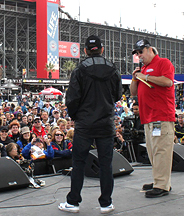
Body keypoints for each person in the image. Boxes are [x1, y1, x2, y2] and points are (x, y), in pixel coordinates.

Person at [59, 35, 121, 214]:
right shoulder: (113, 69)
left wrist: (76, 116)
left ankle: (73, 203)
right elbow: (117, 95)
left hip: (85, 124)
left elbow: (72, 99)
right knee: (106, 164)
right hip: (106, 124)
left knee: (78, 163)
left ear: (85, 51)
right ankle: (106, 203)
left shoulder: (79, 70)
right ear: (102, 50)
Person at [130, 39, 175, 198]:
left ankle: (162, 185)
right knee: (152, 150)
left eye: (140, 52)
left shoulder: (163, 63)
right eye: (137, 53)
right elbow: (133, 92)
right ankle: (159, 181)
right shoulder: (144, 68)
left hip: (161, 116)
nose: (139, 56)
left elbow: (168, 81)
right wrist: (136, 77)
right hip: (148, 118)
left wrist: (146, 77)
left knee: (161, 150)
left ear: (150, 50)